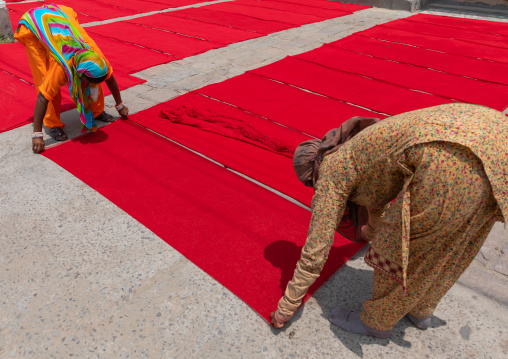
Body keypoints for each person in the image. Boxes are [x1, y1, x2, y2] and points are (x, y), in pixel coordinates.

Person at [271, 103, 507, 338]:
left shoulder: (332, 174)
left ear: (312, 175)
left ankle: (376, 322)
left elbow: (316, 250)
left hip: (449, 160)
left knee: (399, 247)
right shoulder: (353, 148)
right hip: (490, 133)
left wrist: (286, 307)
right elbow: (378, 195)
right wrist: (369, 232)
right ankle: (421, 309)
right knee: (454, 242)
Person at [14, 4, 129, 153]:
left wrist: (119, 105)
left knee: (94, 79)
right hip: (34, 24)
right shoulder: (61, 69)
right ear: (79, 74)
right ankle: (52, 123)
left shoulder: (96, 59)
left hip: (62, 16)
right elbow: (43, 97)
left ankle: (96, 110)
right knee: (45, 79)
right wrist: (37, 134)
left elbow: (109, 78)